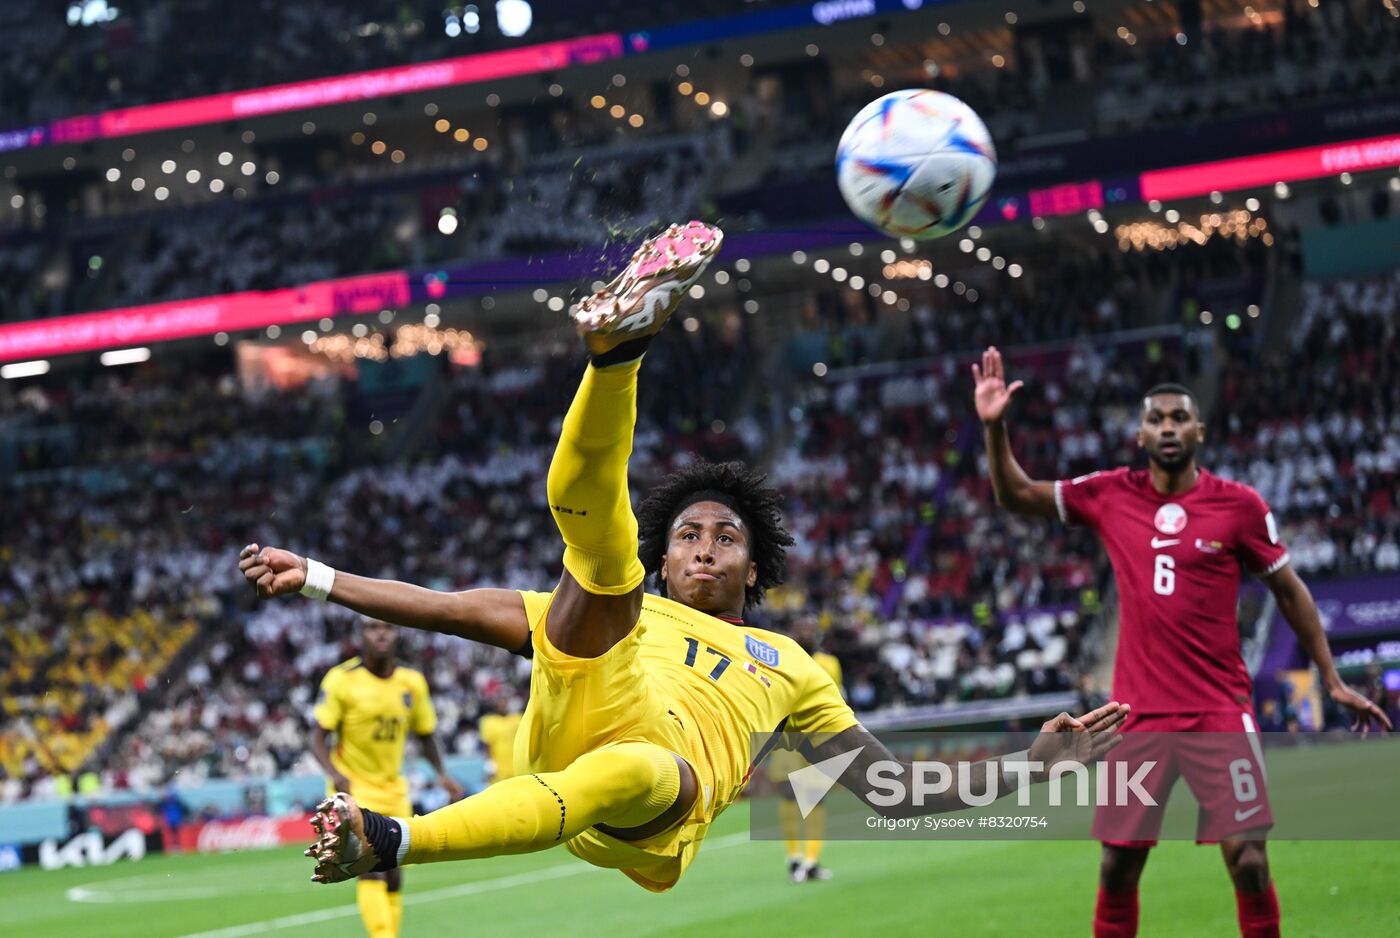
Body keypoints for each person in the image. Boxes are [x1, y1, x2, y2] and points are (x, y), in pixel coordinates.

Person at [239, 222, 1128, 896]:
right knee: (598, 563)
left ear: (753, 572)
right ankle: (618, 353)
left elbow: (893, 790)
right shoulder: (638, 598)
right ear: (672, 561)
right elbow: (456, 608)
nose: (704, 548)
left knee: (638, 764)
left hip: (656, 814)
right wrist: (317, 576)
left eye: (726, 539)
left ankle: (394, 842)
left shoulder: (790, 666)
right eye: (691, 536)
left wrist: (1029, 768)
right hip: (567, 734)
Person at [971, 345, 1391, 938]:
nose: (1167, 427)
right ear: (1140, 434)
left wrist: (1331, 676)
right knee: (1118, 865)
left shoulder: (1240, 507)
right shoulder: (1110, 493)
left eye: (1178, 417)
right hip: (1133, 718)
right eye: (1155, 418)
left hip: (1220, 710)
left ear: (1200, 429)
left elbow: (1291, 592)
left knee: (1247, 858)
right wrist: (996, 430)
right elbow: (1016, 494)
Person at [310, 618, 465, 938]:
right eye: (371, 627)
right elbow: (317, 738)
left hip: (394, 789)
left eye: (387, 627)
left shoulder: (412, 682)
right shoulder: (342, 680)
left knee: (393, 875)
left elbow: (425, 734)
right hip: (355, 790)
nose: (380, 633)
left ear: (397, 634)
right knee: (369, 869)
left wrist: (442, 774)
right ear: (360, 635)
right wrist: (335, 774)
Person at [768, 619, 841, 883]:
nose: (806, 634)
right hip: (788, 740)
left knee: (815, 797)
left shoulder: (830, 663)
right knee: (789, 797)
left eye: (810, 631)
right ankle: (793, 857)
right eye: (801, 631)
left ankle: (811, 860)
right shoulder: (780, 660)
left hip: (818, 739)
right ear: (792, 635)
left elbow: (835, 699)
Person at [477, 696, 523, 784]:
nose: (502, 705)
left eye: (504, 703)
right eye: (499, 703)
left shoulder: (517, 719)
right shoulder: (489, 722)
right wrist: (490, 764)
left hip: (516, 764)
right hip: (499, 767)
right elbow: (487, 744)